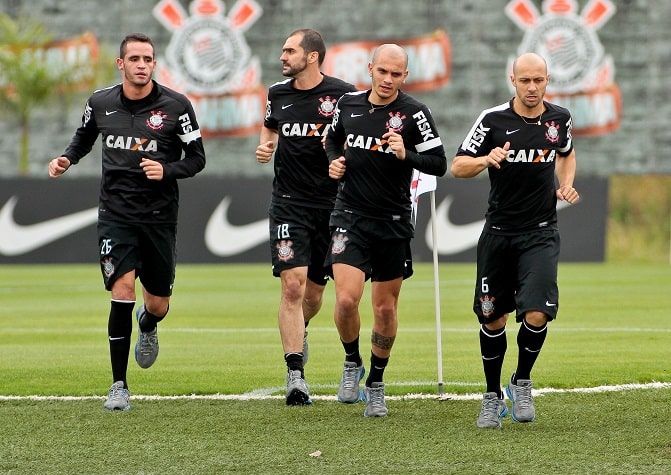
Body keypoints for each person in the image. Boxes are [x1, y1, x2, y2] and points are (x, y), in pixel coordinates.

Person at [48, 33, 206, 411]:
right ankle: (119, 385)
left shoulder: (177, 106)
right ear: (121, 64)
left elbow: (197, 158)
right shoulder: (100, 103)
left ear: (154, 63)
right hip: (116, 215)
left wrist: (167, 169)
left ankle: (148, 325)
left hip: (159, 218)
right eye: (134, 58)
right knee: (122, 289)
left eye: (147, 59)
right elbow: (83, 138)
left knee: (159, 303)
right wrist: (67, 159)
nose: (141, 64)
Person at [451, 52, 579, 428]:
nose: (532, 87)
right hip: (498, 235)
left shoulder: (559, 119)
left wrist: (566, 183)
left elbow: (567, 154)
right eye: (525, 80)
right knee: (493, 319)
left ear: (547, 80)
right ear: (513, 80)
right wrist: (485, 159)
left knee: (538, 313)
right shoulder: (492, 120)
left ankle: (521, 381)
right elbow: (457, 166)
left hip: (540, 233)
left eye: (538, 80)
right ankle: (491, 396)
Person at [324, 44, 447, 417]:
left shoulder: (414, 114)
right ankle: (351, 361)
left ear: (405, 76)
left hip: (393, 222)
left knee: (385, 309)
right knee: (346, 300)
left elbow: (439, 163)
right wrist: (334, 161)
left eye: (396, 74)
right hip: (350, 216)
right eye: (383, 72)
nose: (388, 79)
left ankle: (375, 383)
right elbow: (331, 138)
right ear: (370, 69)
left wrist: (406, 155)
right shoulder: (348, 104)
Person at [256, 29, 357, 406]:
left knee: (313, 295)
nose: (283, 57)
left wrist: (340, 151)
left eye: (289, 51)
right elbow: (270, 125)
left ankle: (302, 330)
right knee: (292, 287)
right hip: (288, 203)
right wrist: (266, 145)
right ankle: (295, 373)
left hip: (333, 206)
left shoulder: (344, 94)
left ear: (312, 57)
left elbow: (355, 135)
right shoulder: (277, 93)